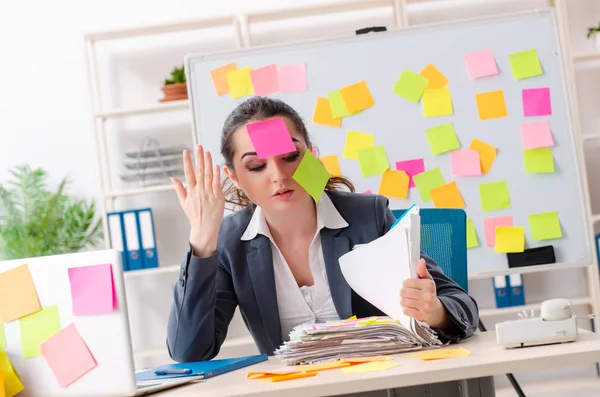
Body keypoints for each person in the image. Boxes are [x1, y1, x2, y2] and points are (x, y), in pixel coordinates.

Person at [166, 97, 479, 363]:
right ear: (234, 177)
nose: (278, 176)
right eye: (256, 166)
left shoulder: (367, 217)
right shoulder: (230, 243)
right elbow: (189, 352)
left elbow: (464, 308)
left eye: (290, 157)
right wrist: (202, 243)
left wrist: (434, 311)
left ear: (311, 155)